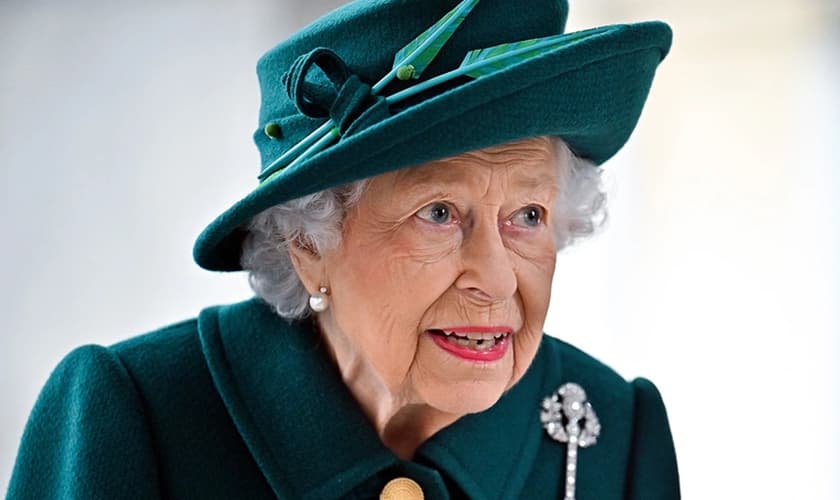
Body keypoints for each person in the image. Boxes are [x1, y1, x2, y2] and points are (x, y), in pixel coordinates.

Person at [6, 0, 679, 498]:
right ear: (307, 243)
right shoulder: (134, 417)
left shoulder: (612, 430)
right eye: (439, 213)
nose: (498, 281)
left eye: (527, 215)